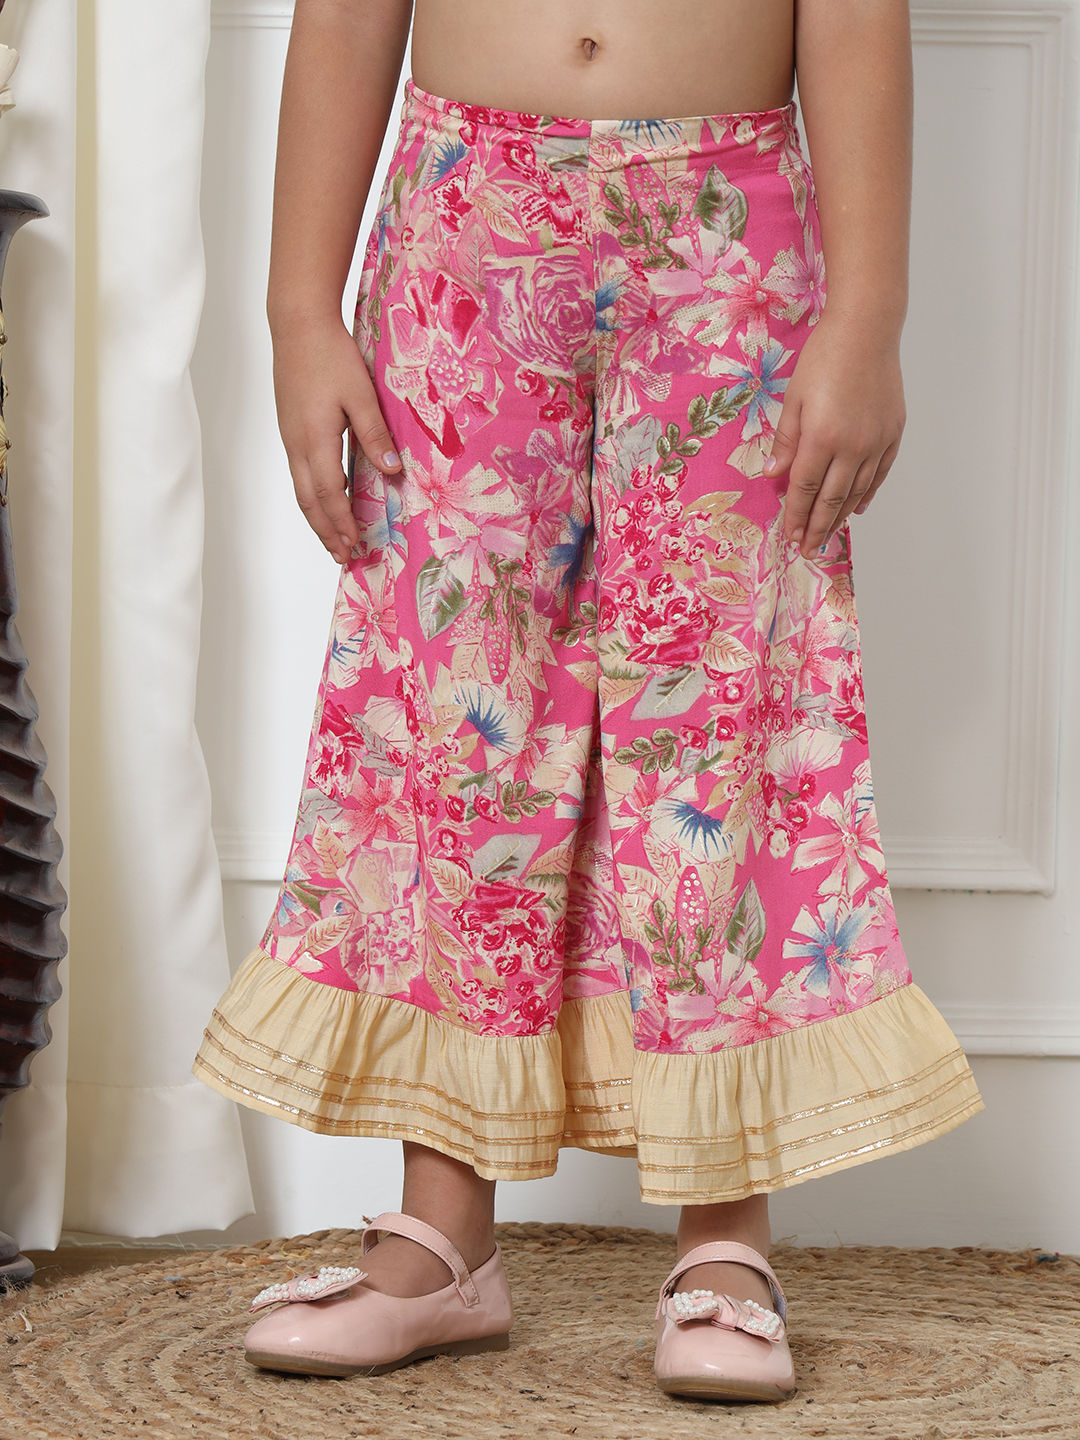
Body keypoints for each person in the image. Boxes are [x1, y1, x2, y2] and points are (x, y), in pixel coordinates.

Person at [193, 0, 985, 1402]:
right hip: (463, 221)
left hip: (729, 228)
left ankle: (725, 1237)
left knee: (720, 707)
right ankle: (444, 1231)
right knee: (460, 710)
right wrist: (297, 310)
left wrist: (868, 313)